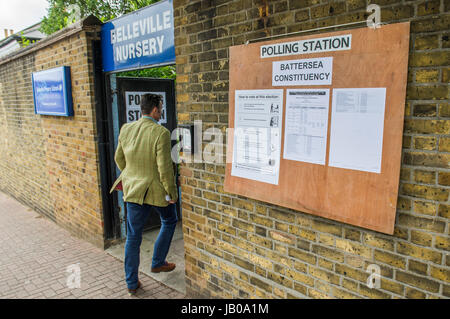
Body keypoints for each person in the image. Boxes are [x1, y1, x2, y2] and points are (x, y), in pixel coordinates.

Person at [110, 93, 178, 296]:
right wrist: (172, 193)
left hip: (133, 191)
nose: (162, 111)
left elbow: (118, 158)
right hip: (156, 190)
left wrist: (132, 175)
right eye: (161, 107)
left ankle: (131, 282)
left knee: (133, 237)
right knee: (170, 219)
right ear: (155, 110)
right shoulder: (161, 133)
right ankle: (157, 262)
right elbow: (165, 168)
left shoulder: (126, 128)